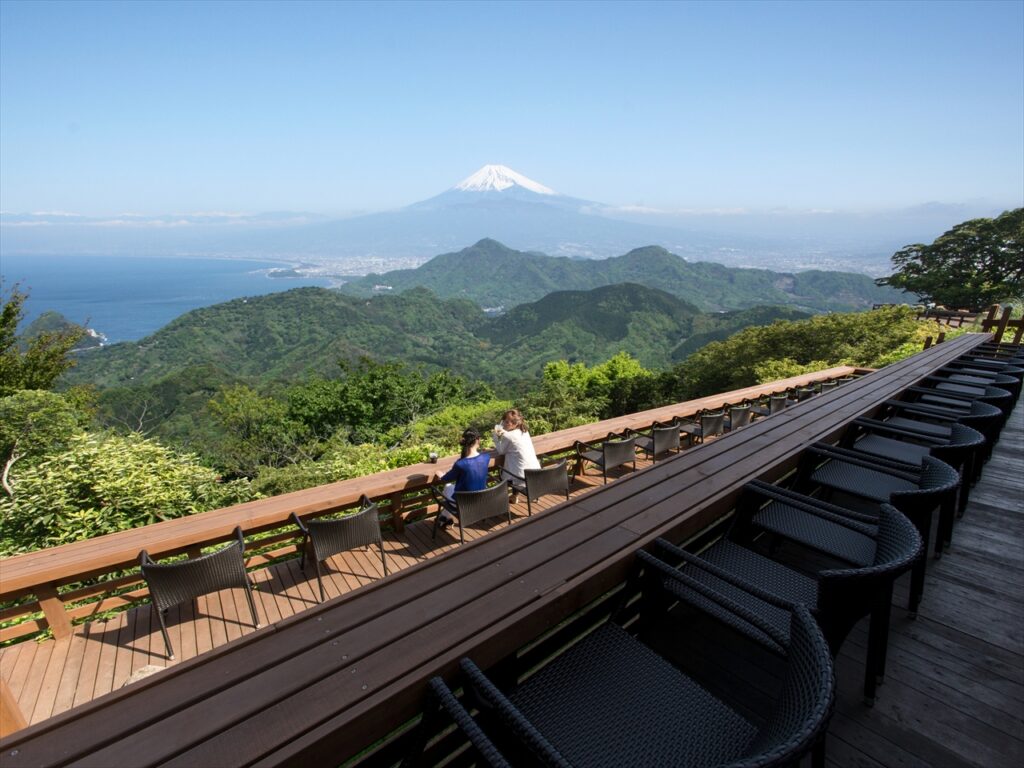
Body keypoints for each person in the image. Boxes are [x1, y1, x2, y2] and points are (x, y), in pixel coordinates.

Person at [435, 428, 491, 529]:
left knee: (447, 487)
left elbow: (446, 478)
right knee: (452, 488)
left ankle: (444, 517)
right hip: (481, 500)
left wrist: (441, 475)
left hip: (463, 504)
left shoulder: (460, 464)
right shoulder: (486, 457)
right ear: (478, 440)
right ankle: (444, 517)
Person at [493, 409, 540, 501]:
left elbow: (501, 451)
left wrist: (495, 436)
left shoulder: (509, 436)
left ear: (516, 423)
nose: (506, 424)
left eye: (509, 422)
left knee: (504, 472)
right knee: (514, 465)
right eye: (505, 421)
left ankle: (501, 500)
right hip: (534, 472)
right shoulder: (524, 431)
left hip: (522, 476)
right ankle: (515, 496)